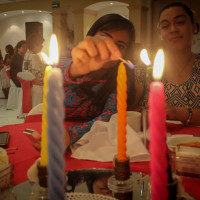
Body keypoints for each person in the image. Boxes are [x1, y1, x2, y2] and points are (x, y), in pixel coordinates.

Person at [32, 14, 140, 150]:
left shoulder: (122, 77)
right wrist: (76, 69)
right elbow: (55, 74)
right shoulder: (69, 54)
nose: (109, 47)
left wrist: (71, 135)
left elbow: (108, 116)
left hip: (91, 135)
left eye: (120, 45)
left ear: (125, 55)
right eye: (104, 37)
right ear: (91, 36)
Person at [141, 2, 200, 126]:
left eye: (180, 22)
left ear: (194, 27)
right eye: (165, 26)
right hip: (152, 141)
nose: (173, 29)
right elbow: (130, 108)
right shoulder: (146, 66)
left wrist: (177, 112)